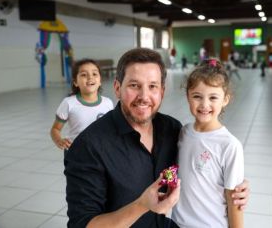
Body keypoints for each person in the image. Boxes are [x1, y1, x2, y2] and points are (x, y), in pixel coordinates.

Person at [64, 48, 250, 228]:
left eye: (152, 86)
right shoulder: (88, 147)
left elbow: (195, 167)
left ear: (162, 91)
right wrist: (141, 205)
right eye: (134, 85)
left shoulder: (172, 130)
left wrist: (234, 187)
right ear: (117, 88)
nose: (144, 96)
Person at [171, 59, 244, 228]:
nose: (205, 104)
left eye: (213, 97)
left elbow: (235, 201)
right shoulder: (183, 133)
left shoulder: (230, 145)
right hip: (177, 223)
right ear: (187, 96)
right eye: (197, 96)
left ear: (225, 99)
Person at [50, 58, 113, 151]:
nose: (90, 77)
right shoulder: (69, 103)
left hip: (101, 152)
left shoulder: (108, 103)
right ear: (75, 82)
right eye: (84, 74)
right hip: (76, 153)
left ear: (100, 81)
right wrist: (59, 140)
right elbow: (55, 129)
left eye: (94, 74)